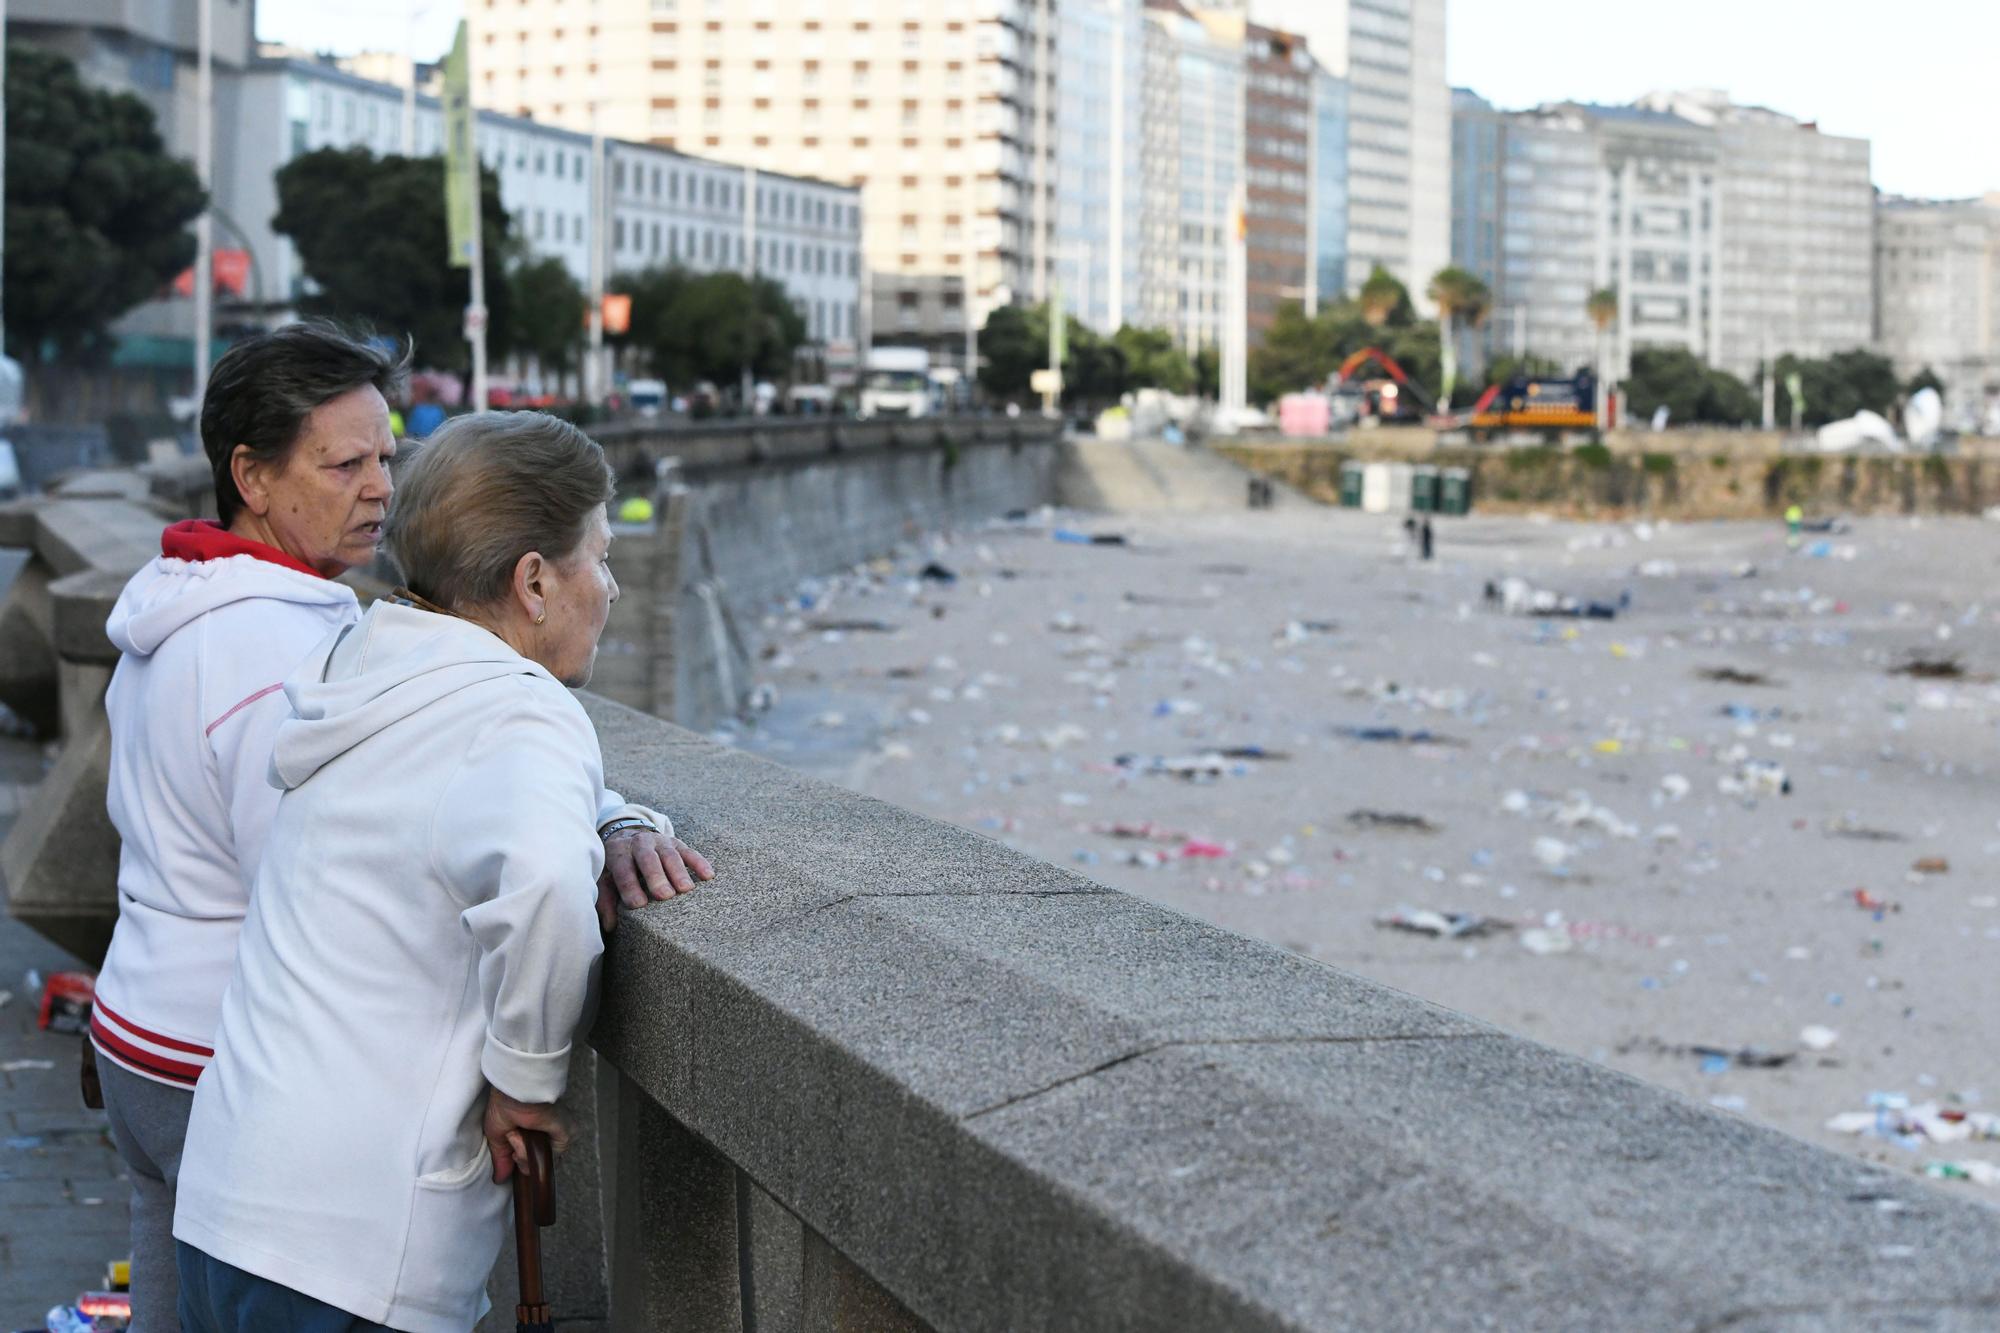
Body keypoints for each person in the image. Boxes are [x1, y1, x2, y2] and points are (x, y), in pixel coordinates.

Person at [92, 324, 709, 1331]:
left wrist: (603, 808)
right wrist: (523, 1078)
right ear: (534, 580)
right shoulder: (288, 642)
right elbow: (529, 880)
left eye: (388, 458)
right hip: (322, 1194)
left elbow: (427, 777)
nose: (376, 484)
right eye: (346, 463)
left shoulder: (313, 643)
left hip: (203, 1122)